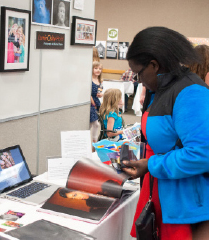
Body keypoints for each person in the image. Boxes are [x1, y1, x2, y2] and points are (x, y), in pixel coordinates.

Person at [122, 26, 209, 240]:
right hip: (160, 189)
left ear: (154, 65)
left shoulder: (191, 93)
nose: (137, 79)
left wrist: (151, 165)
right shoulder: (158, 90)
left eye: (139, 72)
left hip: (185, 204)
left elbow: (202, 154)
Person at [90, 61, 103, 144]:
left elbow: (100, 91)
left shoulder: (100, 80)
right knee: (93, 124)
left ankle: (94, 142)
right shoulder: (89, 79)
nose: (98, 70)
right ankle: (91, 142)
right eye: (96, 68)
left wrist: (100, 95)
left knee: (95, 124)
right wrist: (93, 103)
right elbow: (88, 93)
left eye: (100, 69)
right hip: (90, 103)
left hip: (96, 102)